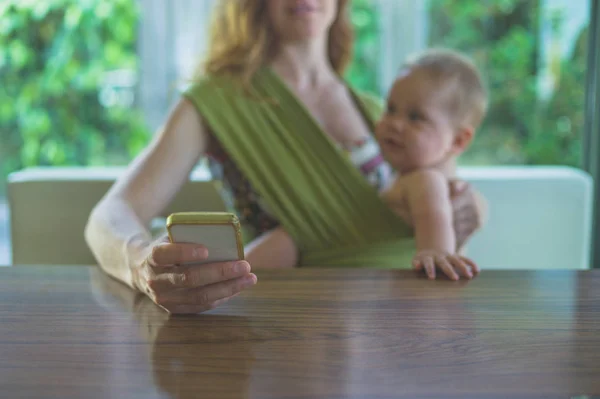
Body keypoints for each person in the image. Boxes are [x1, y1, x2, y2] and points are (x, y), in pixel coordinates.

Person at [85, 0, 487, 314]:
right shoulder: (218, 102)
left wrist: (468, 208)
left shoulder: (377, 110)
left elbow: (432, 210)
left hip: (398, 323)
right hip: (283, 323)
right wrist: (140, 264)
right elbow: (109, 216)